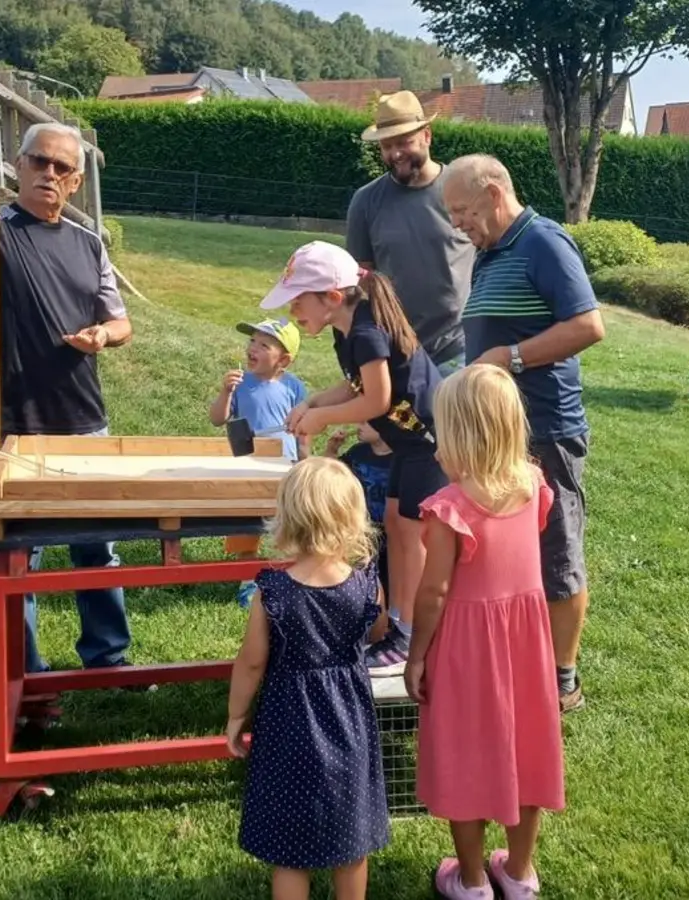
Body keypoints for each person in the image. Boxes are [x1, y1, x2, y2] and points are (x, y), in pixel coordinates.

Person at [0, 123, 140, 680]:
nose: (48, 174)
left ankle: (107, 660)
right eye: (38, 162)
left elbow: (121, 319)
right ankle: (23, 672)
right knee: (19, 557)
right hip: (16, 424)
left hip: (85, 421)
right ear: (20, 167)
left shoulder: (88, 243)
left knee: (97, 550)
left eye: (61, 168)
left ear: (75, 182)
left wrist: (104, 335)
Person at [440, 154, 605, 713]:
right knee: (510, 555)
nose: (457, 224)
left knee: (557, 551)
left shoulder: (544, 242)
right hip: (498, 436)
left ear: (492, 193)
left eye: (461, 210)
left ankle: (564, 679)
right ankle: (520, 659)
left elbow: (588, 326)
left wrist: (506, 358)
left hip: (546, 431)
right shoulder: (488, 255)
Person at [405, 364, 566, 900]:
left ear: (462, 436)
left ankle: (471, 880)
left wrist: (416, 656)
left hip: (468, 651)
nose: (435, 448)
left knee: (466, 755)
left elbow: (433, 594)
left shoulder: (449, 508)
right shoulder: (534, 485)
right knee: (527, 752)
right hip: (526, 647)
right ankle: (519, 874)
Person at [258, 240, 448, 676]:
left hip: (431, 443)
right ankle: (399, 627)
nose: (293, 312)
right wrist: (314, 403)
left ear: (333, 297)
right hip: (409, 445)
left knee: (411, 534)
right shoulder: (347, 332)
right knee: (399, 526)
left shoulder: (364, 332)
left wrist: (322, 418)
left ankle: (411, 633)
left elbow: (377, 401)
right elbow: (357, 387)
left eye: (298, 301)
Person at [227, 457, 391, 900]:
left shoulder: (273, 593)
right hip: (349, 724)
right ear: (353, 519)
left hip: (289, 726)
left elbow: (252, 663)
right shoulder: (366, 587)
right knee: (352, 844)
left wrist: (235, 716)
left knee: (290, 852)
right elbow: (376, 631)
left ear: (289, 519)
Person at [348, 90, 476, 378]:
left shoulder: (461, 191)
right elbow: (361, 283)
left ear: (427, 136)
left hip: (460, 349)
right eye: (386, 146)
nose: (394, 154)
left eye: (404, 142)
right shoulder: (366, 202)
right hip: (397, 352)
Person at [209, 317, 309, 463]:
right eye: (252, 340)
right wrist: (226, 392)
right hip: (248, 461)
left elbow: (303, 430)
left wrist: (304, 459)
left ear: (283, 360)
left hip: (284, 461)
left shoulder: (294, 387)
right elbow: (216, 420)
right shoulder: (240, 382)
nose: (253, 348)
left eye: (264, 345)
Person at [324, 423, 394, 604]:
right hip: (361, 534)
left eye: (365, 422)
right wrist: (331, 451)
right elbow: (331, 480)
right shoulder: (358, 453)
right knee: (360, 581)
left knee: (390, 583)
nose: (358, 425)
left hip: (394, 535)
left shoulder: (402, 458)